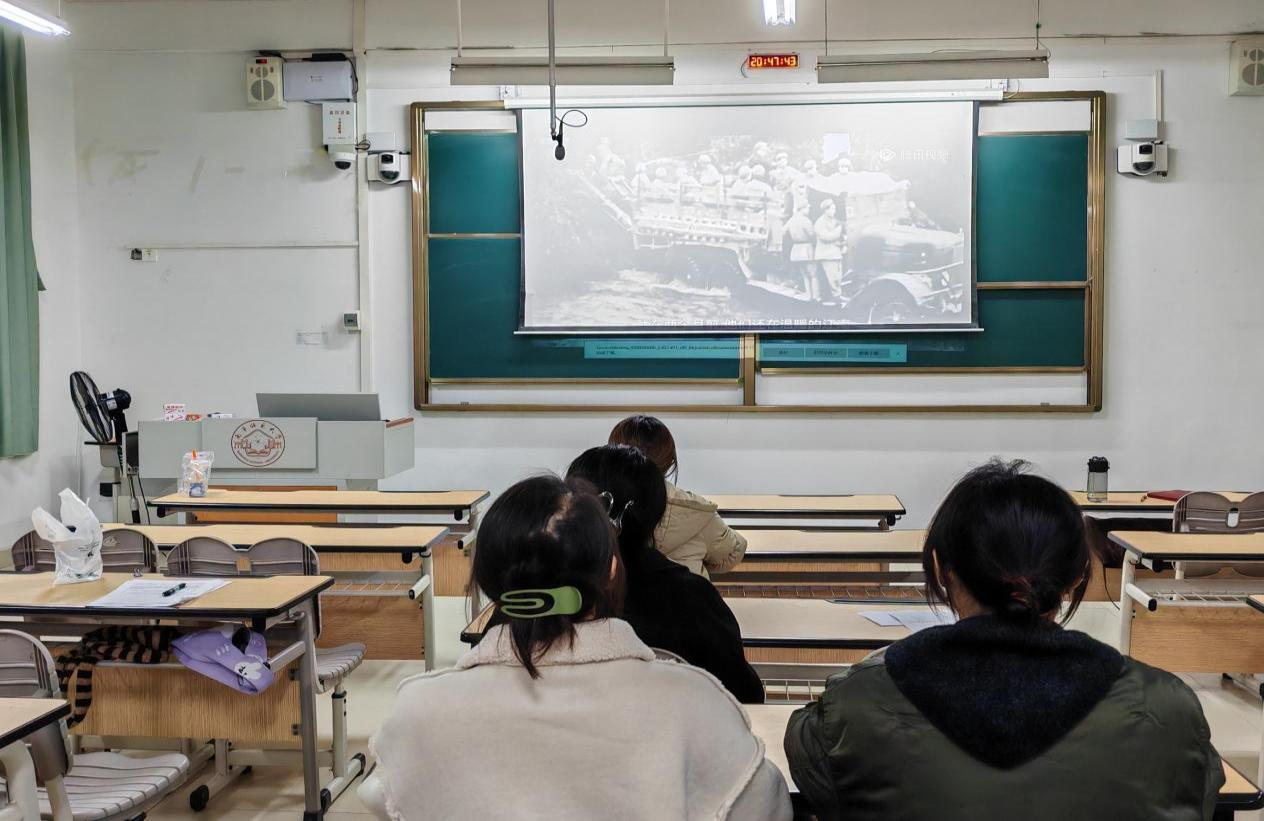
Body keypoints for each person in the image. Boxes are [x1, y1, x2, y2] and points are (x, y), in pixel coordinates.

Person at [784, 460, 1223, 821]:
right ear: (1077, 576)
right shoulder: (1168, 709)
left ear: (939, 570)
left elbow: (826, 790)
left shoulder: (853, 709)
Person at [360, 475, 791, 821]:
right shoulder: (694, 699)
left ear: (485, 578)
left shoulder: (421, 707)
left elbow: (384, 797)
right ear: (612, 569)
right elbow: (764, 805)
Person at [567, 444, 766, 704]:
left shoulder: (542, 592)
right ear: (658, 513)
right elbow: (745, 693)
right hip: (676, 727)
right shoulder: (694, 598)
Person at [608, 415, 748, 577]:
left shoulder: (598, 508)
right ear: (670, 462)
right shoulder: (696, 510)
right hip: (687, 592)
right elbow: (733, 551)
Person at [813, 198, 845, 302]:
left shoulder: (835, 221)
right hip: (826, 254)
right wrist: (839, 230)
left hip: (835, 253)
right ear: (826, 210)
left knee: (838, 277)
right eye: (832, 209)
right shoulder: (819, 222)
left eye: (834, 208)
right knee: (833, 278)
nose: (834, 211)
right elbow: (826, 237)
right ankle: (836, 297)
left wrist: (842, 242)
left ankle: (837, 296)